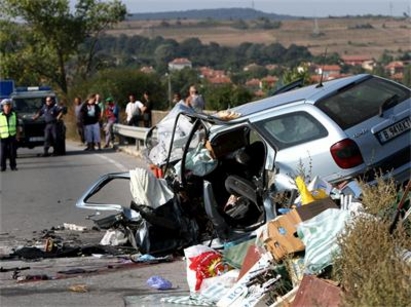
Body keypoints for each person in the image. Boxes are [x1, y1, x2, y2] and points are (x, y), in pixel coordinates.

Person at [0, 99, 19, 171]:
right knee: (3, 153)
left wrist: (17, 135)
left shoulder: (14, 115)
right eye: (5, 106)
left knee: (12, 152)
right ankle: (2, 166)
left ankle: (13, 166)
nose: (7, 107)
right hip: (3, 137)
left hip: (12, 136)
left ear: (11, 107)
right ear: (3, 107)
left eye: (8, 106)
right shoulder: (0, 115)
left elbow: (17, 126)